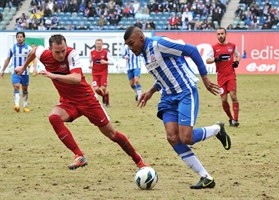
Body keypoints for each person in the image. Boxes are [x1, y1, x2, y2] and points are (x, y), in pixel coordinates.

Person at [15, 34, 148, 170]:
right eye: (57, 52)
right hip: (68, 102)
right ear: (50, 49)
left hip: (87, 100)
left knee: (112, 134)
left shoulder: (71, 54)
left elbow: (77, 78)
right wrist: (23, 67)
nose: (61, 55)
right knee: (54, 117)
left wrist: (54, 75)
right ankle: (79, 156)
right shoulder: (44, 54)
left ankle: (139, 161)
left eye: (63, 50)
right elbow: (34, 51)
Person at [123, 26, 232, 189]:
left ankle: (217, 129)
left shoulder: (159, 44)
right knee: (172, 137)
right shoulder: (144, 55)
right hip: (168, 97)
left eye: (132, 44)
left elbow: (193, 50)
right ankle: (206, 177)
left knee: (186, 138)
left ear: (141, 37)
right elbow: (164, 74)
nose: (131, 49)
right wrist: (151, 91)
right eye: (128, 46)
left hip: (185, 92)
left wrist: (205, 78)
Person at [206, 27, 241, 127]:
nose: (220, 36)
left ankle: (236, 119)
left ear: (226, 34)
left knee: (233, 95)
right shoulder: (214, 48)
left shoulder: (232, 46)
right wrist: (216, 59)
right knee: (224, 100)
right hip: (221, 77)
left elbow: (238, 55)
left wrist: (237, 62)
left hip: (231, 75)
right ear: (216, 35)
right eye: (218, 34)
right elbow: (207, 60)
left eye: (222, 34)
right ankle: (230, 118)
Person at [1, 31, 37, 112]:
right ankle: (17, 105)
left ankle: (25, 106)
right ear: (16, 38)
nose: (19, 38)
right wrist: (3, 70)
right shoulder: (12, 48)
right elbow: (7, 59)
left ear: (24, 38)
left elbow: (34, 58)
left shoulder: (28, 48)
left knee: (25, 89)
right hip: (15, 72)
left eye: (21, 37)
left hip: (25, 73)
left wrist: (35, 68)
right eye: (18, 37)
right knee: (16, 87)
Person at [89, 38, 114, 107]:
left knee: (103, 88)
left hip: (103, 73)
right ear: (95, 45)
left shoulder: (106, 52)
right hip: (95, 73)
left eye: (100, 44)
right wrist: (91, 65)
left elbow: (113, 62)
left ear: (102, 45)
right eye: (97, 44)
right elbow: (90, 61)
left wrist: (105, 62)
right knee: (96, 89)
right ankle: (104, 96)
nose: (99, 45)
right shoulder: (92, 53)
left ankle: (107, 102)